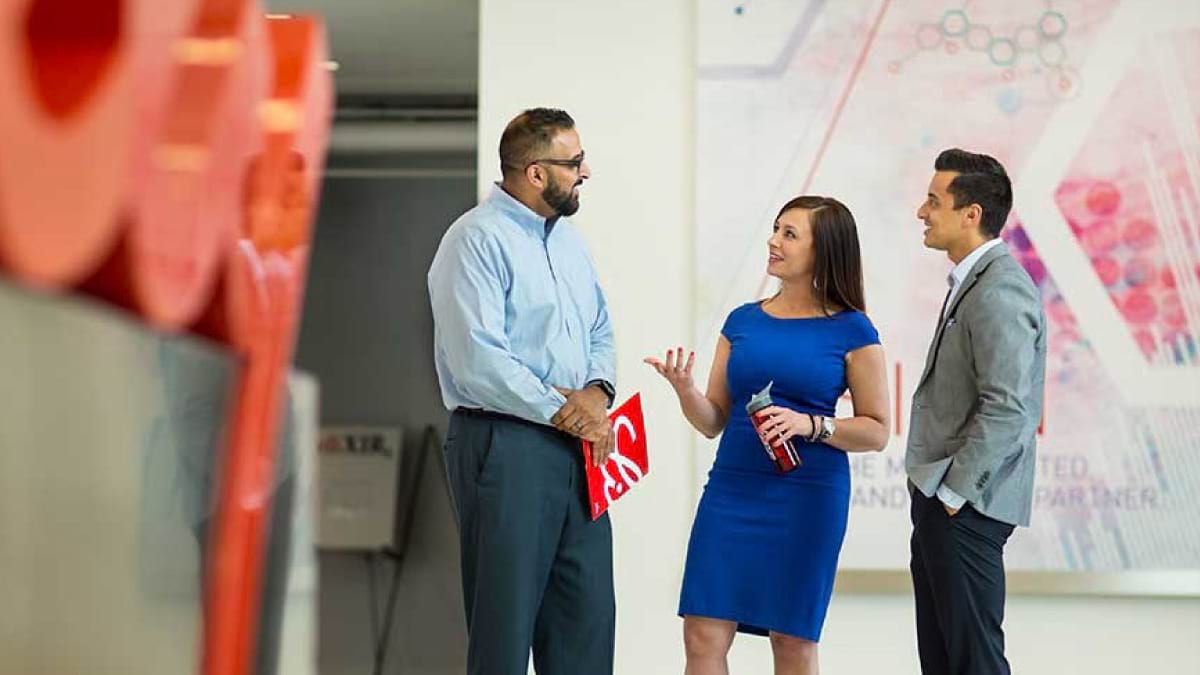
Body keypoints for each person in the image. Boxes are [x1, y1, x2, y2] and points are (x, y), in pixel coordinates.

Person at [645, 196, 890, 675]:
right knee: (701, 634)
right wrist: (684, 390)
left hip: (807, 497)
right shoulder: (742, 321)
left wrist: (813, 425)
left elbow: (876, 430)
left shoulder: (853, 329)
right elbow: (713, 419)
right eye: (776, 229)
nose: (774, 241)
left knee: (792, 642)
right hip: (732, 490)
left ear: (824, 251)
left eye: (790, 234)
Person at [427, 107, 618, 675]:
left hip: (580, 451)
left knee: (586, 621)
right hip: (505, 445)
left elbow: (601, 327)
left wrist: (597, 391)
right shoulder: (474, 240)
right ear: (536, 173)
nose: (586, 172)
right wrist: (567, 409)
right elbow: (478, 360)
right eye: (574, 162)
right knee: (504, 633)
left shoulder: (570, 242)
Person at [907, 148, 1046, 675]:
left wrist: (953, 493)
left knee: (973, 663)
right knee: (944, 661)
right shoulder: (974, 282)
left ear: (972, 215)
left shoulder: (1001, 288)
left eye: (933, 201)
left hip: (966, 509)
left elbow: (1009, 407)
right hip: (947, 505)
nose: (922, 211)